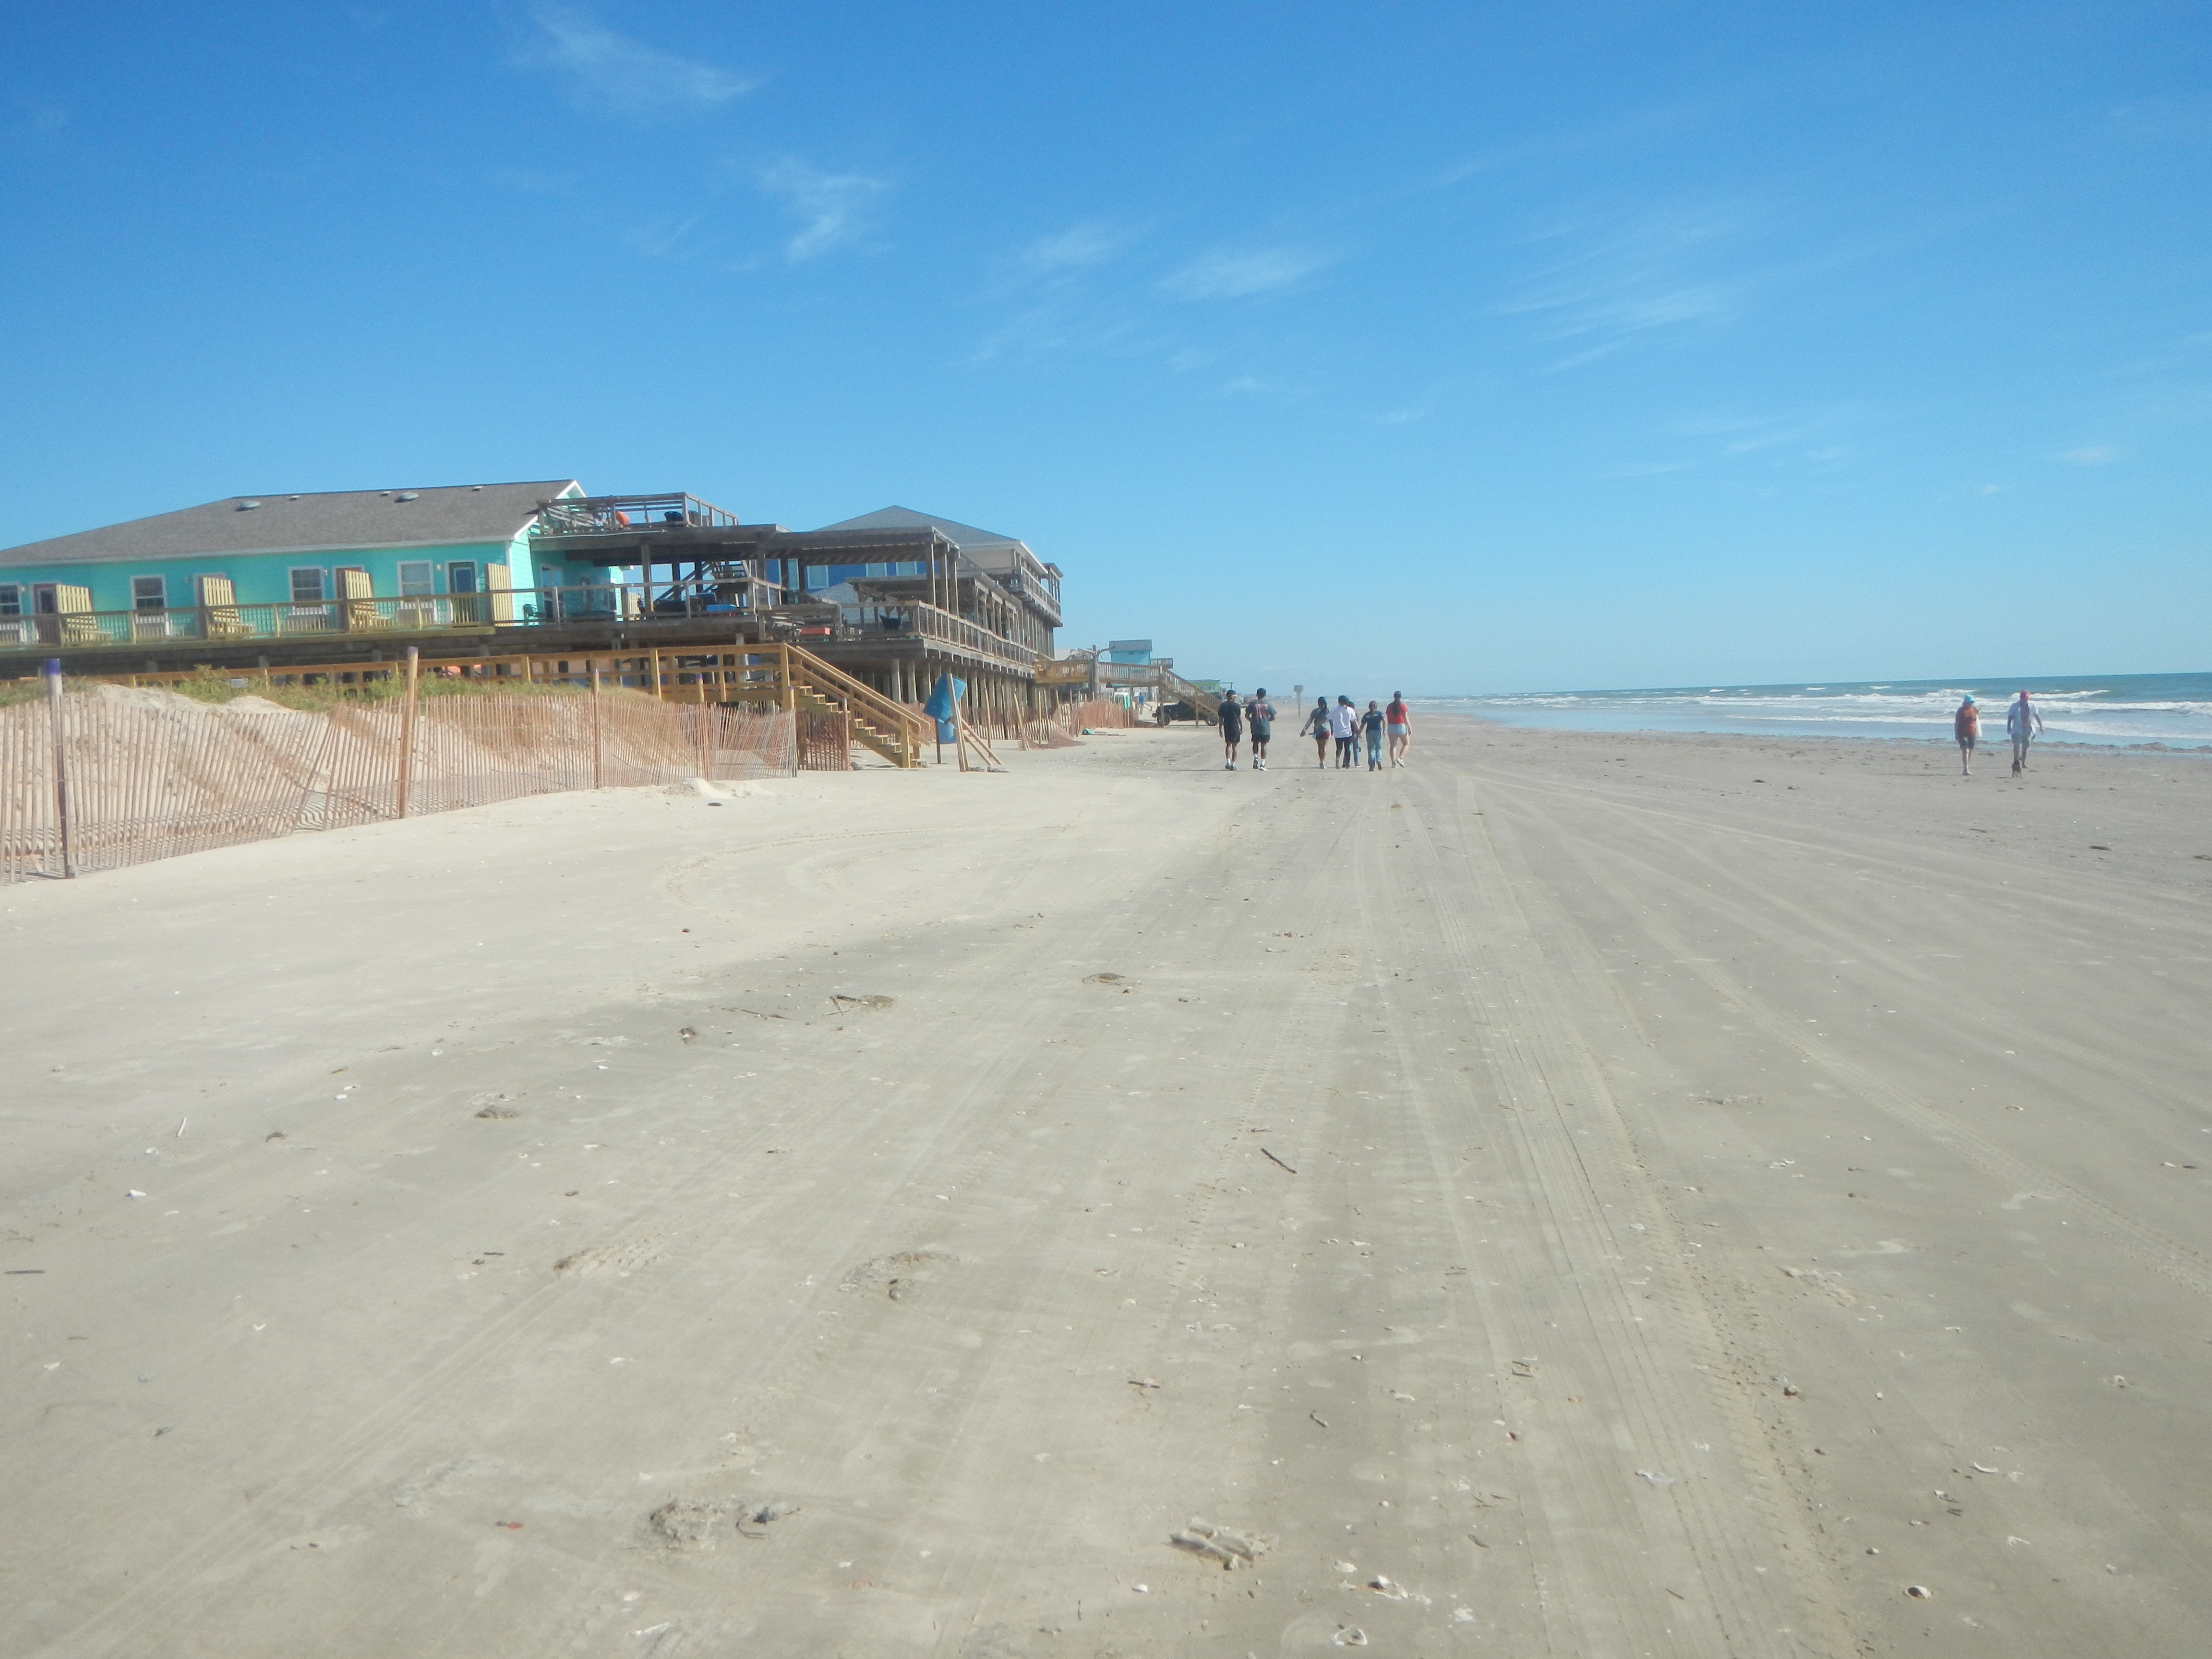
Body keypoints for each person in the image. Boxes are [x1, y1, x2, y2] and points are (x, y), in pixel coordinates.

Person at [2006, 690, 2043, 775]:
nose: (2024, 700)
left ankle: (2023, 763)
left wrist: (2041, 726)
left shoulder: (2032, 706)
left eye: (2026, 699)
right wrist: (2008, 727)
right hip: (2017, 728)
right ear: (2020, 698)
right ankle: (2016, 762)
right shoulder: (2015, 706)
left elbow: (2036, 716)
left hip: (2028, 729)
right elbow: (2010, 717)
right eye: (2023, 698)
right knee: (2016, 746)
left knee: (2026, 747)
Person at [1247, 687, 1275, 770]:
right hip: (1265, 728)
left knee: (1255, 743)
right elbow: (1273, 717)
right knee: (1264, 745)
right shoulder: (1268, 704)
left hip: (1255, 727)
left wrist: (1253, 721)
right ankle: (1262, 764)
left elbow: (1247, 715)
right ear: (1265, 695)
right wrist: (1267, 720)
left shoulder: (1253, 704)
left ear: (1257, 695)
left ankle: (1256, 757)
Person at [1301, 697, 1332, 767]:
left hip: (1317, 731)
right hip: (1326, 731)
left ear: (1318, 703)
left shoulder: (1315, 711)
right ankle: (1323, 762)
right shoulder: (1328, 711)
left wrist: (1304, 730)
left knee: (1320, 747)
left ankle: (1321, 761)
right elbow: (1331, 721)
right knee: (1324, 747)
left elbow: (1310, 721)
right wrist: (1333, 730)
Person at [1329, 696, 1359, 768]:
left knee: (1339, 748)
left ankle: (1338, 759)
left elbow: (1328, 718)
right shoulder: (1350, 710)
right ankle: (1348, 764)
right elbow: (1354, 721)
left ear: (1339, 702)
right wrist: (1358, 731)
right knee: (1347, 749)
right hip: (1347, 732)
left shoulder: (1334, 710)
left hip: (1338, 733)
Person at [1218, 689, 1244, 770]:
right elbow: (1239, 718)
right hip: (1235, 726)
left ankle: (1228, 763)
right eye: (1235, 697)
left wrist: (1220, 729)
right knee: (1235, 746)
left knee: (1228, 745)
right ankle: (1233, 764)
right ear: (1232, 697)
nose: (1235, 698)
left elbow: (1221, 719)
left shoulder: (1223, 706)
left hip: (1227, 727)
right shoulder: (1236, 706)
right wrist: (1241, 727)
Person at [1953, 694, 1979, 777]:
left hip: (1972, 732)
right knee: (1965, 751)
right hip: (1962, 732)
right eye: (1970, 702)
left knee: (1970, 751)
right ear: (1965, 702)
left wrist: (1977, 731)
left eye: (1972, 702)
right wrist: (1956, 733)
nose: (1971, 704)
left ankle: (1967, 765)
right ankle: (1966, 769)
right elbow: (1957, 723)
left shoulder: (1974, 709)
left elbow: (1976, 720)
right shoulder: (1961, 711)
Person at [1385, 692, 1411, 767]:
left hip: (1391, 726)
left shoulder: (1390, 706)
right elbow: (1406, 718)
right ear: (1400, 697)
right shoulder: (1403, 706)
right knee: (1406, 743)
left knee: (1393, 746)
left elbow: (1388, 716)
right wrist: (1409, 727)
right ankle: (1401, 758)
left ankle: (1393, 763)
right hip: (1400, 726)